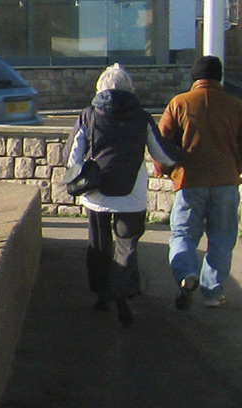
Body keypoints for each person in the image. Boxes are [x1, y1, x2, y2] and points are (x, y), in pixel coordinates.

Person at [67, 64, 177, 327]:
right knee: (127, 243)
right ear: (129, 88)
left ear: (100, 88)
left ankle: (102, 294)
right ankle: (124, 292)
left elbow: (71, 156)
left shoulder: (89, 115)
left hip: (96, 193)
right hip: (132, 193)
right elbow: (162, 156)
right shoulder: (141, 117)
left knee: (99, 245)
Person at [159, 55, 242, 310]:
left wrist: (165, 169)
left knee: (183, 234)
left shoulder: (179, 103)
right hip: (226, 181)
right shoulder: (236, 105)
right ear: (219, 76)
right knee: (222, 239)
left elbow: (161, 141)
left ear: (194, 77)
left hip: (190, 180)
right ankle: (213, 293)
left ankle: (186, 274)